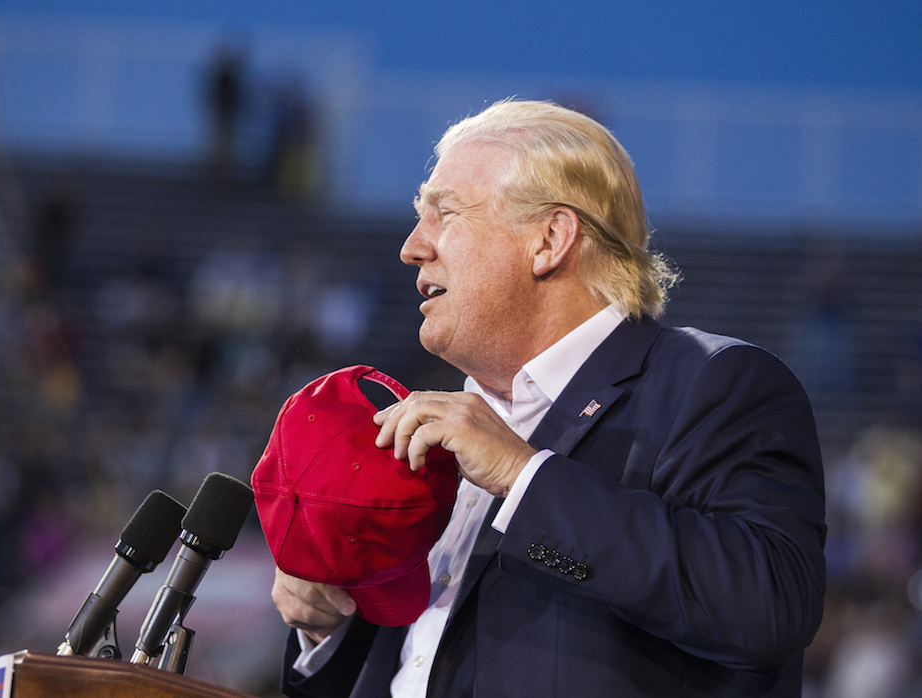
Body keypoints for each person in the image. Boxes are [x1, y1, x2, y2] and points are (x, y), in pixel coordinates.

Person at [269, 99, 826, 697]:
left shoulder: (713, 383)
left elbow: (770, 603)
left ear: (550, 239)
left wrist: (523, 476)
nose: (412, 246)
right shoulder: (445, 429)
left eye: (444, 213)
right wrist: (326, 626)